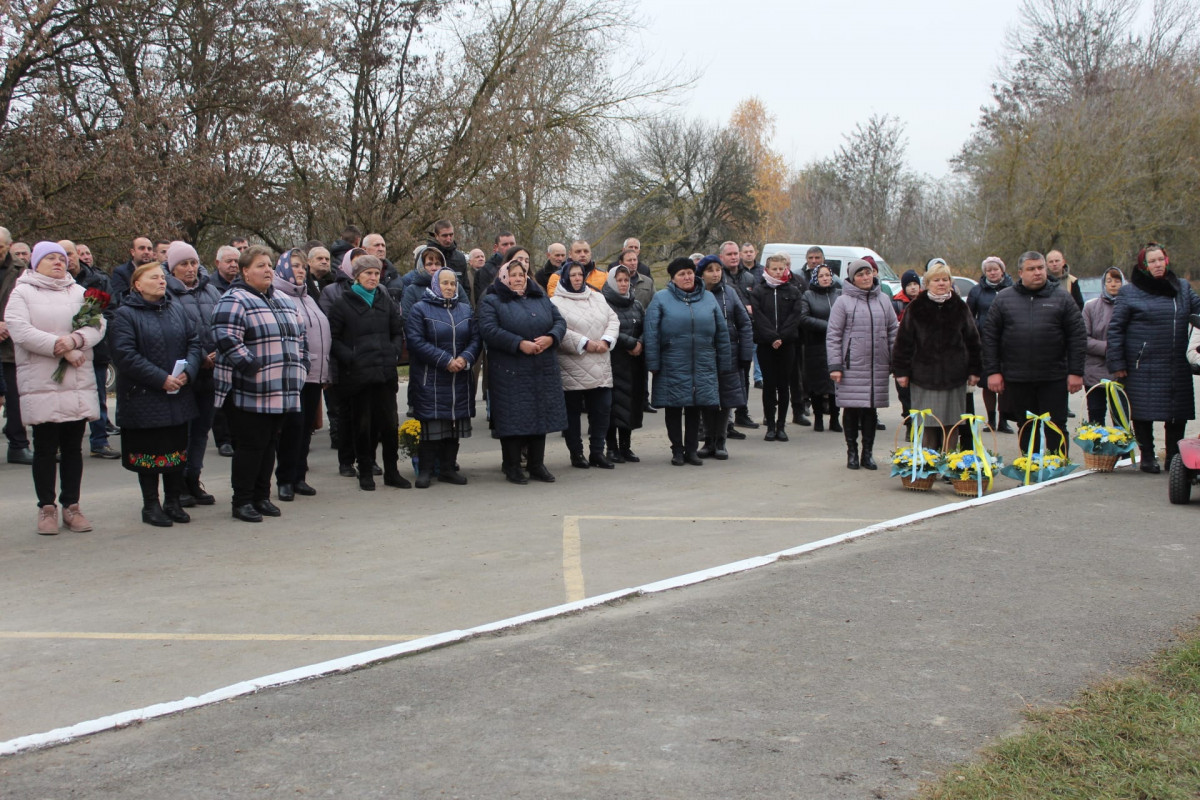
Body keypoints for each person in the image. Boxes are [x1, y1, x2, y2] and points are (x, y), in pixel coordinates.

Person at [4, 242, 107, 534]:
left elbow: (98, 325)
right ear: (36, 263)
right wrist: (58, 347)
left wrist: (76, 341)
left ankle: (72, 506)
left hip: (76, 380)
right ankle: (46, 508)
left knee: (74, 448)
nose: (58, 263)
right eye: (50, 258)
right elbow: (19, 329)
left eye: (62, 258)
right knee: (46, 448)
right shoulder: (23, 291)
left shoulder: (77, 291)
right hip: (42, 380)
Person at [212, 245, 310, 521]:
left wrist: (302, 365)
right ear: (245, 271)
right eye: (259, 265)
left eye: (269, 265)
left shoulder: (282, 298)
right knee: (251, 446)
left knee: (269, 445)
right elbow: (226, 338)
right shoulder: (235, 299)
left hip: (282, 388)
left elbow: (300, 336)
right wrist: (253, 366)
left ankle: (261, 496)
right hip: (249, 389)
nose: (267, 270)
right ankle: (242, 500)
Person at [109, 260, 202, 527]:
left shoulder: (176, 309)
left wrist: (189, 371)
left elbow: (194, 342)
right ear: (137, 285)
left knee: (175, 452)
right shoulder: (125, 315)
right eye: (153, 278)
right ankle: (151, 505)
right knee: (149, 454)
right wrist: (161, 379)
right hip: (144, 398)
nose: (161, 281)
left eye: (162, 277)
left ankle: (173, 501)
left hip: (178, 395)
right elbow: (125, 355)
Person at [982, 251, 1086, 459]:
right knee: (1026, 425)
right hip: (1018, 377)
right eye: (1031, 269)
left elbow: (1077, 336)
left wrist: (1076, 372)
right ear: (1021, 272)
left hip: (1054, 376)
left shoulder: (1062, 298)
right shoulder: (1004, 299)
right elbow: (990, 338)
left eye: (1041, 268)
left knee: (1056, 425)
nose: (1037, 273)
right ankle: (1030, 467)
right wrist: (993, 372)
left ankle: (1058, 466)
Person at [1107, 243, 1200, 473]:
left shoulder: (1182, 288)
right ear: (1144, 266)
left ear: (1166, 261)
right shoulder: (1130, 292)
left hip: (1177, 361)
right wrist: (1117, 363)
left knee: (1177, 414)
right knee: (1142, 412)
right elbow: (1116, 329)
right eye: (1152, 261)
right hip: (1142, 362)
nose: (1158, 265)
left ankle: (1173, 458)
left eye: (1161, 260)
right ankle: (1147, 456)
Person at [477, 258, 567, 484]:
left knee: (540, 417)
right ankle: (512, 466)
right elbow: (488, 330)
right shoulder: (492, 300)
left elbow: (559, 321)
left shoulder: (540, 297)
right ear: (504, 277)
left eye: (522, 274)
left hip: (542, 367)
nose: (518, 279)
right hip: (510, 370)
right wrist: (519, 343)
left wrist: (551, 337)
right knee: (513, 420)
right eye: (514, 275)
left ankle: (537, 464)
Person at [326, 254, 409, 491]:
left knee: (390, 425)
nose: (373, 277)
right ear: (357, 276)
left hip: (384, 373)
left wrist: (393, 351)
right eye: (368, 273)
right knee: (362, 426)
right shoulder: (343, 303)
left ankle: (392, 472)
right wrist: (351, 357)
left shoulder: (385, 301)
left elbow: (396, 330)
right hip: (358, 377)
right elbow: (333, 339)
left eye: (376, 273)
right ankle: (365, 471)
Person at [644, 257, 731, 466]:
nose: (687, 277)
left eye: (690, 273)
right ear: (673, 278)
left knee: (695, 407)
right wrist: (653, 364)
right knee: (674, 407)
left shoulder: (708, 298)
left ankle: (691, 449)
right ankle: (677, 450)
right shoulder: (661, 299)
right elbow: (651, 333)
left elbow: (722, 333)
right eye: (681, 274)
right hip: (672, 362)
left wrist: (724, 362)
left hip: (703, 362)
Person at [891, 261, 982, 449]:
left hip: (954, 377)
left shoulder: (960, 307)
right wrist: (901, 372)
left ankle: (950, 466)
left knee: (952, 424)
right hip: (924, 377)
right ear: (927, 283)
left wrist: (975, 370)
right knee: (928, 425)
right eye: (936, 280)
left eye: (945, 279)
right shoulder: (916, 308)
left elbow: (973, 340)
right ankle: (928, 466)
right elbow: (903, 343)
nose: (941, 283)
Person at [406, 267, 481, 488]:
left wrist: (465, 358)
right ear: (435, 285)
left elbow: (476, 339)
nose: (449, 287)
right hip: (432, 378)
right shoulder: (420, 309)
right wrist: (445, 360)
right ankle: (426, 470)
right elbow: (415, 341)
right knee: (431, 426)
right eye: (445, 283)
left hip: (459, 378)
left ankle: (448, 468)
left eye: (452, 283)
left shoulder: (466, 310)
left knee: (453, 425)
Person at [164, 242, 221, 506]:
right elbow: (173, 333)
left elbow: (222, 323)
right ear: (172, 267)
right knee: (182, 432)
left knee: (201, 431)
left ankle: (193, 478)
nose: (190, 269)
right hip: (184, 372)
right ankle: (177, 484)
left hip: (211, 372)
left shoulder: (211, 290)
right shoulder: (166, 294)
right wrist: (199, 358)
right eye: (183, 264)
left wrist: (218, 353)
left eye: (193, 263)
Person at [826, 259, 898, 470]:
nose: (865, 278)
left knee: (870, 411)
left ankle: (868, 453)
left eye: (868, 273)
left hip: (878, 365)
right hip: (851, 366)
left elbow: (893, 330)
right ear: (852, 278)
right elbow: (833, 335)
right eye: (860, 275)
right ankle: (852, 452)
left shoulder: (884, 300)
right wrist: (835, 365)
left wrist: (895, 360)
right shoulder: (843, 301)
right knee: (852, 409)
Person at [272, 249, 330, 500]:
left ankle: (299, 476)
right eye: (294, 266)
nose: (299, 271)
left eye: (301, 267)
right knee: (291, 428)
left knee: (305, 429)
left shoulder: (307, 296)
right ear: (283, 268)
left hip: (314, 374)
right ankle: (285, 479)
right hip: (292, 376)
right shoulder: (278, 296)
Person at [551, 261, 620, 469]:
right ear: (565, 277)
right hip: (572, 365)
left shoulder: (597, 296)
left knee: (602, 410)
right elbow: (558, 328)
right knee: (572, 414)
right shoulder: (555, 302)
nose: (577, 278)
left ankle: (597, 452)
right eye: (572, 275)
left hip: (600, 362)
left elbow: (613, 319)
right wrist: (585, 343)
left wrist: (606, 340)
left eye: (580, 274)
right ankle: (577, 453)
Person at [61, 239, 119, 459]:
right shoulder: (56, 283)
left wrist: (93, 330)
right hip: (66, 350)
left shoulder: (99, 280)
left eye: (70, 253)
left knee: (98, 395)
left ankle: (99, 440)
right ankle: (61, 443)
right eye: (61, 255)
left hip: (96, 348)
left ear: (77, 255)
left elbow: (112, 311)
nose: (66, 259)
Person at [697, 256, 753, 457]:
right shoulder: (696, 294)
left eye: (718, 269)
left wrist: (745, 353)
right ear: (702, 273)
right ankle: (708, 440)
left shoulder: (729, 292)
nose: (715, 273)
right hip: (703, 354)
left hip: (728, 353)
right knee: (706, 398)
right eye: (710, 270)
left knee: (725, 398)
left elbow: (744, 323)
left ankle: (720, 441)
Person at [749, 253, 803, 441]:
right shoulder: (758, 291)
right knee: (769, 386)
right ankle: (770, 425)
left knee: (784, 385)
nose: (779, 272)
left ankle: (781, 426)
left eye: (782, 269)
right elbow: (759, 317)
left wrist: (782, 337)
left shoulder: (793, 291)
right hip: (766, 344)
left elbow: (795, 316)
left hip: (787, 344)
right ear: (767, 269)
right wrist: (772, 337)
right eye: (775, 269)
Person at [601, 265, 646, 463]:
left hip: (634, 363)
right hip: (613, 360)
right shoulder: (603, 303)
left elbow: (647, 326)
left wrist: (640, 343)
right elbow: (606, 329)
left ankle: (626, 447)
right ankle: (611, 447)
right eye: (619, 280)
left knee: (630, 405)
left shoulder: (636, 304)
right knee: (612, 407)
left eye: (626, 280)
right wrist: (629, 343)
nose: (623, 284)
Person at [966, 256, 1015, 433]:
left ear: (1002, 270)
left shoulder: (1013, 289)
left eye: (995, 269)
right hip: (985, 342)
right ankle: (991, 419)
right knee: (987, 383)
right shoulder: (977, 291)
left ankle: (1004, 419)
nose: (992, 272)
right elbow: (969, 315)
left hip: (1008, 342)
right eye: (988, 270)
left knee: (1004, 382)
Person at [0, 226, 33, 464]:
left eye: (0, 247)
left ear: (9, 246)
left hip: (10, 343)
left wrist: (9, 324)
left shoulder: (21, 271)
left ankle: (18, 445)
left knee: (15, 396)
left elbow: (27, 304)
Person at [798, 263, 841, 433]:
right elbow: (803, 318)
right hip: (815, 345)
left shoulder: (838, 294)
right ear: (816, 278)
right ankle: (818, 418)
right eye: (822, 276)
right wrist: (828, 326)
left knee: (835, 385)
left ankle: (835, 418)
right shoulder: (808, 295)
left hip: (836, 345)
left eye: (828, 275)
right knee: (817, 384)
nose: (825, 278)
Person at [1082, 267, 1127, 426]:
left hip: (1121, 372)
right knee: (1096, 417)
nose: (1113, 284)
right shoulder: (1090, 307)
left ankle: (1122, 450)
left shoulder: (1131, 307)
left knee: (1121, 417)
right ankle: (1098, 450)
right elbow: (1084, 339)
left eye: (1117, 281)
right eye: (1109, 281)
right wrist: (1109, 348)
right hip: (1095, 372)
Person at [475, 231, 517, 305]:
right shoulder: (486, 270)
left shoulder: (522, 266)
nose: (509, 247)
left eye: (512, 244)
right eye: (505, 244)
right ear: (496, 247)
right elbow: (484, 299)